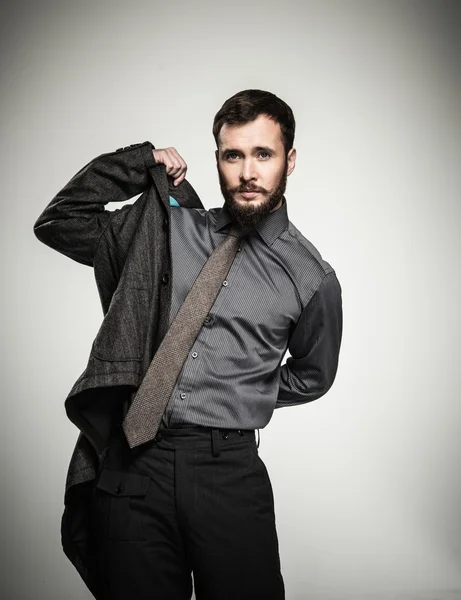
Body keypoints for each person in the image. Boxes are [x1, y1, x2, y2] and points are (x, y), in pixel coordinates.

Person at [35, 89, 342, 600]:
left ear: (289, 161)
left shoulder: (311, 277)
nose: (247, 172)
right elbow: (57, 222)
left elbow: (313, 375)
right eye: (233, 154)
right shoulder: (163, 232)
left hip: (230, 474)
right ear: (217, 159)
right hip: (135, 466)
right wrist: (138, 163)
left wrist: (246, 389)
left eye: (262, 154)